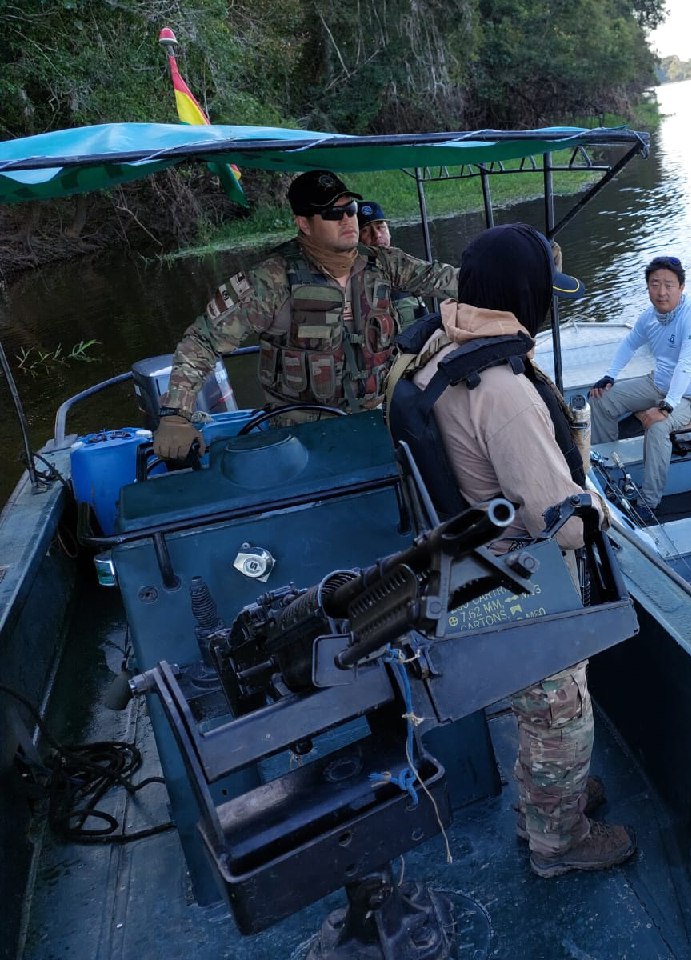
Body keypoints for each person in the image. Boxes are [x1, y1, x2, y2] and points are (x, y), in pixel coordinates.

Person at [389, 222, 636, 879]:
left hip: (473, 560)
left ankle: (545, 803)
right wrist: (600, 517)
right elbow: (563, 522)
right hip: (520, 573)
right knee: (561, 715)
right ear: (522, 295)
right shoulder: (501, 390)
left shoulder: (441, 348)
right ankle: (556, 842)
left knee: (534, 706)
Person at [153, 170, 457, 459]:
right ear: (304, 223)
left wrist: (496, 281)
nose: (347, 219)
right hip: (302, 432)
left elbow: (445, 279)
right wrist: (177, 415)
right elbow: (203, 340)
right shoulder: (271, 280)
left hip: (378, 415)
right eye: (332, 213)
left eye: (350, 209)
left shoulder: (382, 263)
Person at [588, 255, 691, 510]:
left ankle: (649, 502)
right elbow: (629, 344)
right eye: (655, 284)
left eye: (669, 285)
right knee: (601, 398)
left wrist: (667, 406)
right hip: (659, 384)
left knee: (658, 428)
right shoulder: (649, 316)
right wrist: (610, 375)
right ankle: (609, 472)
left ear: (681, 287)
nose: (661, 292)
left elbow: (687, 364)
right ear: (647, 287)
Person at [358, 198, 427, 329]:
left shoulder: (406, 266)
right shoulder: (353, 280)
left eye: (380, 227)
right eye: (365, 231)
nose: (377, 235)